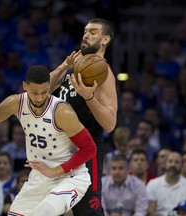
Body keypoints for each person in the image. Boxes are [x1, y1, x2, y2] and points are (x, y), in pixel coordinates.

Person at [0, 65, 97, 216]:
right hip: (40, 178)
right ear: (25, 86)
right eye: (34, 92)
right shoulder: (16, 103)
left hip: (71, 177)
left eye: (44, 92)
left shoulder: (62, 112)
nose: (39, 98)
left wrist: (55, 171)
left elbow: (89, 149)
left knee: (45, 211)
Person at [51, 18, 117, 215]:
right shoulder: (72, 64)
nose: (86, 35)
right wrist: (63, 67)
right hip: (57, 148)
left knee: (88, 212)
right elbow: (41, 90)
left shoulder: (102, 72)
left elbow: (110, 123)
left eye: (93, 32)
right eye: (85, 31)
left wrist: (89, 97)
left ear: (105, 39)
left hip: (86, 152)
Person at [146, 151, 186, 216]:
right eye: (170, 161)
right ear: (165, 164)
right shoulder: (153, 184)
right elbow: (151, 211)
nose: (173, 165)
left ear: (182, 165)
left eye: (176, 162)